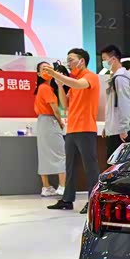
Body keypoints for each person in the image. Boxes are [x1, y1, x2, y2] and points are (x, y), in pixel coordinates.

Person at [41, 48, 100, 213]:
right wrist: (60, 86)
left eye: (71, 60)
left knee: (90, 168)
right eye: (67, 60)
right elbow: (65, 105)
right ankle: (67, 199)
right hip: (72, 129)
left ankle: (94, 202)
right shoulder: (74, 81)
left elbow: (78, 85)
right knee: (70, 167)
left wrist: (56, 75)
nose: (69, 63)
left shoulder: (90, 77)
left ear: (82, 61)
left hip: (86, 128)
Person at [33, 62, 66, 197]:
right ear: (39, 73)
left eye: (50, 68)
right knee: (61, 153)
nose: (47, 71)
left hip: (42, 122)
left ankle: (46, 187)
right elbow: (55, 109)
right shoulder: (45, 88)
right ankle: (62, 186)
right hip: (50, 121)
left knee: (44, 154)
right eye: (44, 69)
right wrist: (60, 122)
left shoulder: (42, 88)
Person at [100, 44, 130, 152]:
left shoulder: (120, 79)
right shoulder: (117, 78)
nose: (103, 62)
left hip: (122, 132)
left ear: (113, 59)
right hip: (117, 130)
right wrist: (107, 126)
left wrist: (123, 129)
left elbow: (124, 104)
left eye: (104, 59)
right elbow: (113, 107)